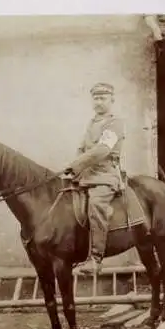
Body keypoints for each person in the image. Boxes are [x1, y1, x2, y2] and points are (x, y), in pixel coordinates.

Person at [63, 82, 126, 274]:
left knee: (96, 204)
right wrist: (72, 168)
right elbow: (82, 148)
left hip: (105, 175)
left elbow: (102, 150)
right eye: (96, 98)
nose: (98, 102)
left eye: (103, 98)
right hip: (87, 174)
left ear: (111, 100)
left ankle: (96, 259)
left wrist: (77, 165)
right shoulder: (92, 123)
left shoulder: (115, 123)